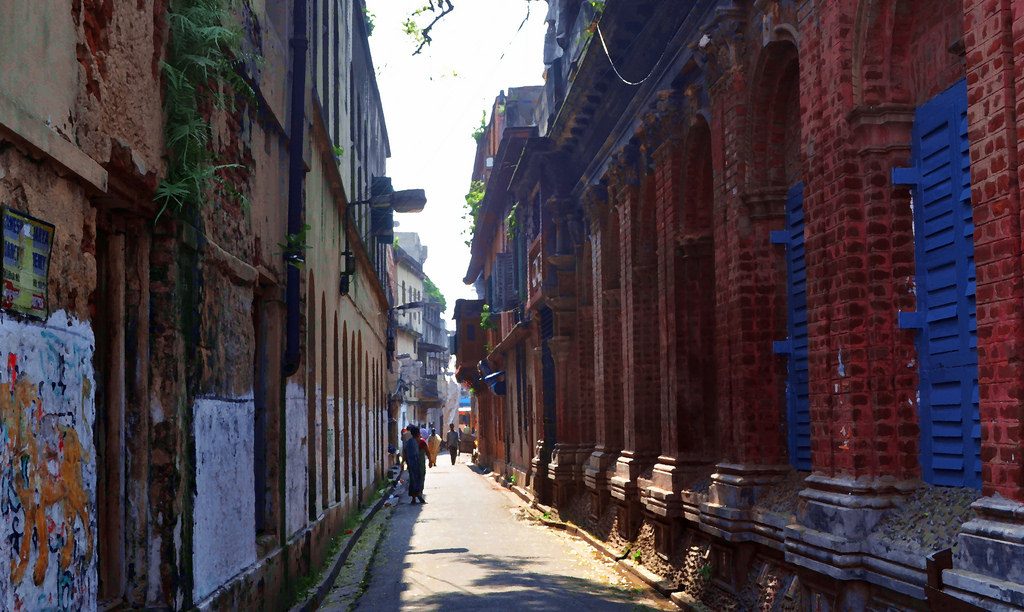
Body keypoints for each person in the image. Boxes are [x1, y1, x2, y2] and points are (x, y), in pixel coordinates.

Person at [403, 426, 426, 504]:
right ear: (418, 433)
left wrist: (405, 462)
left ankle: (414, 498)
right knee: (418, 480)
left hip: (410, 464)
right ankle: (418, 495)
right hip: (416, 464)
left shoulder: (409, 442)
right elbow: (415, 455)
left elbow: (405, 452)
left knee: (412, 480)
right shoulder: (415, 442)